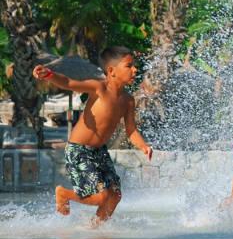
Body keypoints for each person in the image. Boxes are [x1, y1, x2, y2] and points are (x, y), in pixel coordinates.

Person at [32, 46, 152, 226]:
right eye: (129, 66)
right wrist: (49, 75)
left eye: (134, 65)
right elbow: (69, 83)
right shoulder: (98, 88)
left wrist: (143, 146)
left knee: (115, 195)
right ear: (111, 71)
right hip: (79, 150)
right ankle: (64, 193)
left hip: (99, 151)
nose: (135, 69)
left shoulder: (128, 100)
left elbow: (131, 129)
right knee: (101, 196)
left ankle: (94, 227)